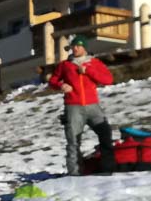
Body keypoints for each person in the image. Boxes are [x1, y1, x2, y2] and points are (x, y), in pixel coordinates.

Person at [48, 35, 115, 175]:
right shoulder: (65, 65)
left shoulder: (94, 63)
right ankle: (75, 174)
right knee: (73, 141)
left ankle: (108, 169)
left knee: (105, 134)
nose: (75, 49)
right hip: (73, 107)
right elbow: (52, 81)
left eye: (78, 46)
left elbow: (108, 79)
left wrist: (88, 71)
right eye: (73, 46)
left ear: (84, 47)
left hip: (93, 106)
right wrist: (61, 85)